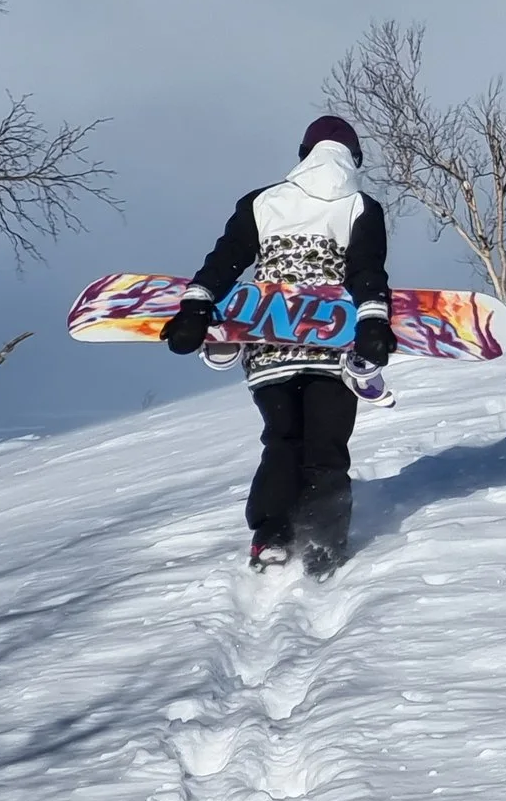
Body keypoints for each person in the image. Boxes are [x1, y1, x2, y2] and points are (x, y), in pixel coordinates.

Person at [162, 116, 397, 575]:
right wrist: (372, 319)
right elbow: (367, 270)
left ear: (304, 154)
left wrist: (196, 306)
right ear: (355, 159)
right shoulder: (360, 207)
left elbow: (225, 261)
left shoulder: (262, 201)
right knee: (326, 446)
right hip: (334, 348)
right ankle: (325, 545)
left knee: (283, 439)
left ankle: (271, 535)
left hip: (269, 346)